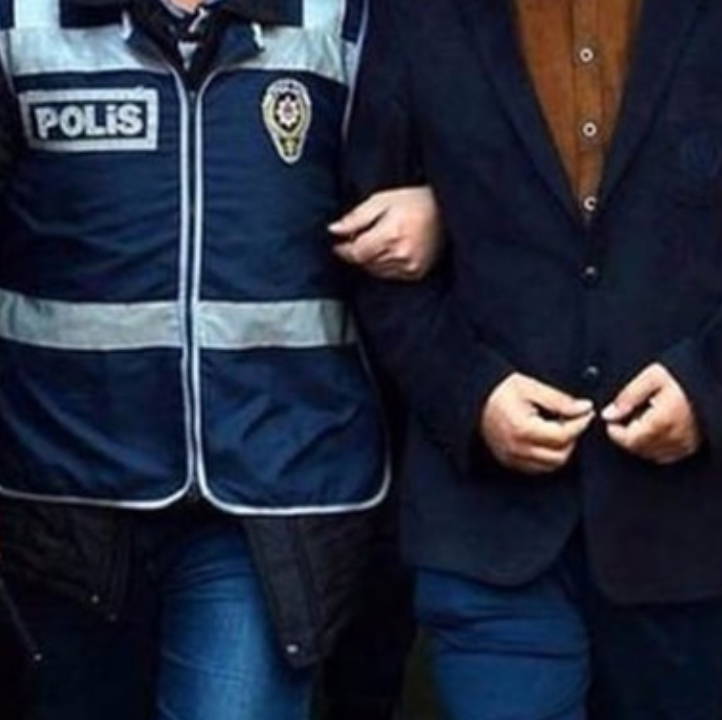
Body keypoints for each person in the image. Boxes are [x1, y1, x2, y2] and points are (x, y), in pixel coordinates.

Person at [339, 0, 722, 717]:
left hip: (683, 526)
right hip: (486, 524)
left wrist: (711, 384)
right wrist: (469, 392)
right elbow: (369, 247)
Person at [0, 1, 438, 718]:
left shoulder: (343, 18)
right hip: (60, 497)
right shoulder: (22, 20)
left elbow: (477, 148)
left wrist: (440, 207)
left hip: (273, 496)